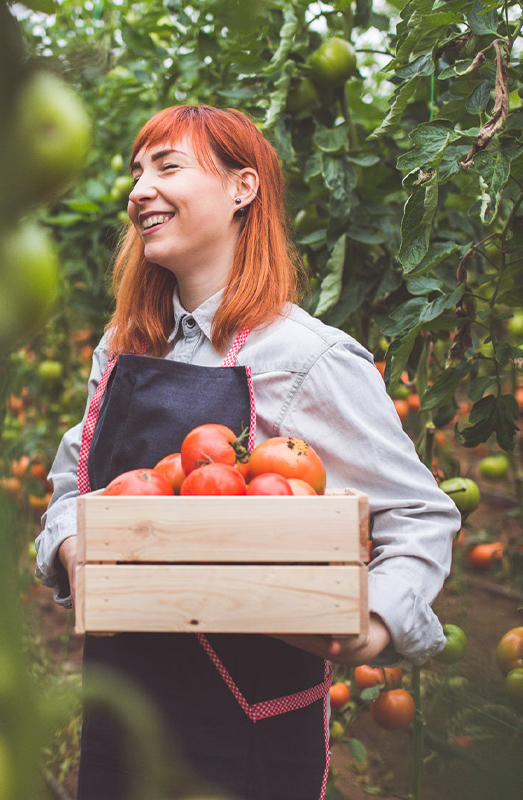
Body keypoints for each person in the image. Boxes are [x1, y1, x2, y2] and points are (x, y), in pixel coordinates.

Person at [36, 104, 460, 800]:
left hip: (242, 725)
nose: (139, 189)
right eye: (136, 172)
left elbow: (419, 514)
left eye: (167, 167)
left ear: (243, 189)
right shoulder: (124, 349)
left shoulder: (305, 358)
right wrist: (74, 547)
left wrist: (375, 620)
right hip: (123, 704)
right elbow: (70, 483)